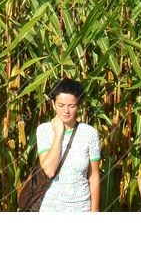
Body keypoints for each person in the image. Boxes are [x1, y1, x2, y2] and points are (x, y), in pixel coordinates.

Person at [36, 78, 101, 211]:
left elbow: (93, 175)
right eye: (61, 105)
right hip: (50, 209)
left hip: (81, 208)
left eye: (71, 106)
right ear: (53, 104)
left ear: (79, 105)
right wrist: (59, 134)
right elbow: (49, 170)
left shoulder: (89, 133)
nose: (66, 111)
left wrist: (95, 211)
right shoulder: (44, 130)